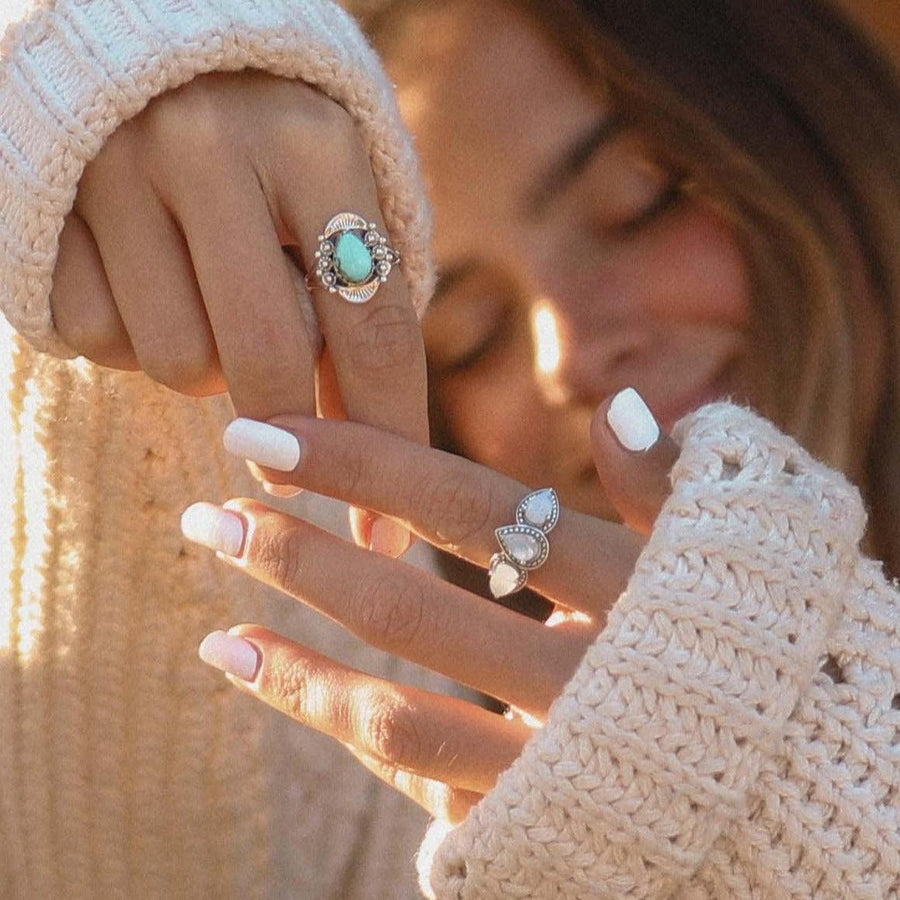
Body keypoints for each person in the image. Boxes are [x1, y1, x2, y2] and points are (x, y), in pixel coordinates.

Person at [0, 0, 897, 898]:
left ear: (802, 126)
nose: (567, 353)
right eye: (469, 338)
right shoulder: (459, 805)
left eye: (642, 199)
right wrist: (81, 73)